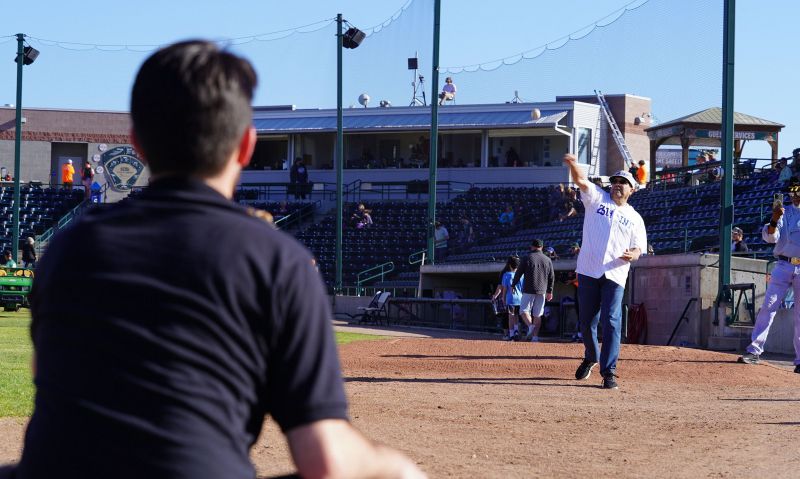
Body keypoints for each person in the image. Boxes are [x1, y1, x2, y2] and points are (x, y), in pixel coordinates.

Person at [6, 41, 425, 479]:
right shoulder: (278, 260)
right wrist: (396, 466)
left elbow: (45, 371)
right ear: (246, 146)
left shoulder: (69, 248)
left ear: (138, 146)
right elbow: (325, 460)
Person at [564, 153, 647, 390]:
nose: (618, 184)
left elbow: (639, 247)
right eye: (615, 181)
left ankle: (609, 371)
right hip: (589, 271)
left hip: (615, 274)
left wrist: (634, 254)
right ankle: (591, 356)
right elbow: (581, 181)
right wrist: (572, 164)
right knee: (586, 322)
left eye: (623, 182)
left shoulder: (635, 218)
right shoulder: (597, 199)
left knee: (612, 321)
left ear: (632, 189)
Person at [738, 179, 800, 374]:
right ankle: (755, 350)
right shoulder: (783, 212)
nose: (794, 195)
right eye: (792, 193)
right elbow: (770, 237)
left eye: (797, 192)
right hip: (783, 264)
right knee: (768, 305)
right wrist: (774, 218)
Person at [512, 239, 554, 342]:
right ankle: (535, 337)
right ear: (542, 247)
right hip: (542, 290)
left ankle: (530, 326)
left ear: (532, 246)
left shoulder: (527, 257)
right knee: (538, 314)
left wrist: (513, 284)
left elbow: (518, 273)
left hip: (529, 288)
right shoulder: (547, 259)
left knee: (523, 311)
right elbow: (551, 276)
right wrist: (550, 291)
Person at [491, 256, 523, 341]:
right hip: (520, 299)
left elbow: (504, 288)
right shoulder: (522, 275)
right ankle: (516, 331)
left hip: (510, 299)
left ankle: (511, 335)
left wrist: (502, 298)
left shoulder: (506, 274)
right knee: (516, 316)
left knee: (510, 317)